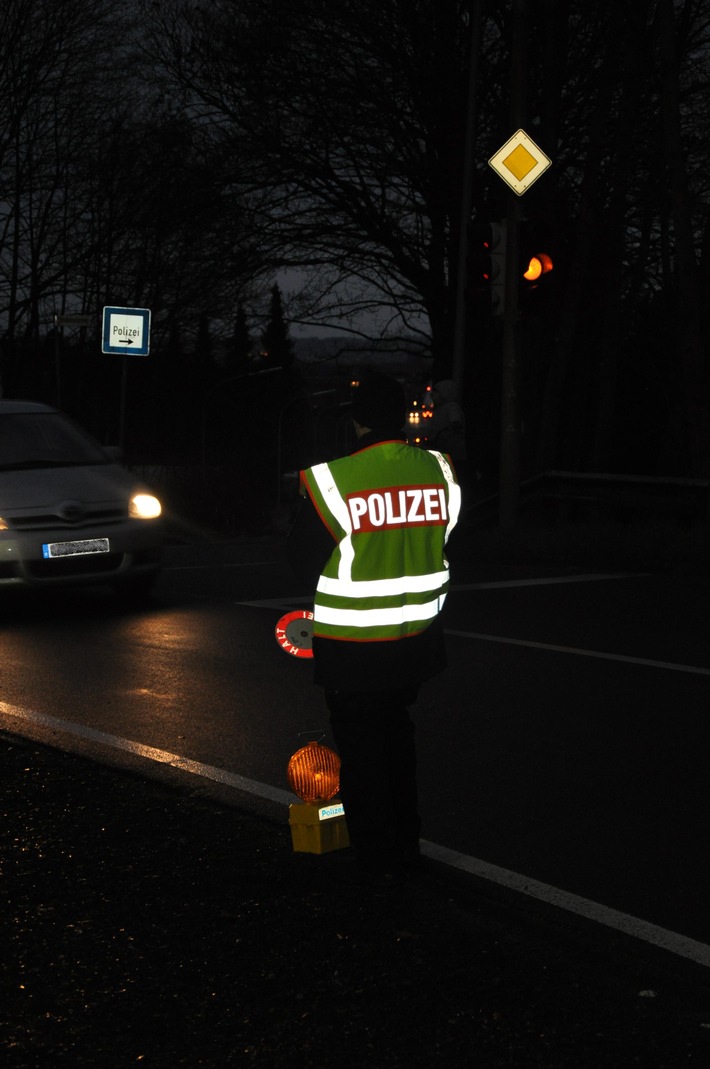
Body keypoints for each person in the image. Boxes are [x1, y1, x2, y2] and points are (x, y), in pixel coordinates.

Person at [286, 371, 461, 881]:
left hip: (354, 645)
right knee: (397, 740)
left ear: (359, 420)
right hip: (416, 640)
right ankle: (406, 847)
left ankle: (377, 862)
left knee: (363, 753)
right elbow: (449, 537)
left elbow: (301, 561)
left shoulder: (336, 477)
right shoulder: (440, 470)